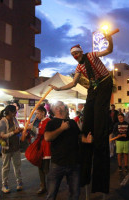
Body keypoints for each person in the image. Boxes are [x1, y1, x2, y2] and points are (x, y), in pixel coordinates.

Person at [49, 35, 114, 193]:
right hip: (94, 86)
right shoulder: (79, 68)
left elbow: (109, 50)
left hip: (105, 81)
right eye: (72, 55)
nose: (75, 57)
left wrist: (109, 38)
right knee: (89, 108)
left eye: (76, 54)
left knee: (99, 109)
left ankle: (100, 134)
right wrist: (58, 89)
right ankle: (88, 134)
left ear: (81, 52)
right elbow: (73, 83)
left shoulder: (91, 55)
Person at [44, 101, 93, 200]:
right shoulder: (51, 122)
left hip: (74, 163)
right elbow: (47, 137)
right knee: (51, 194)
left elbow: (79, 136)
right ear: (57, 109)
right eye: (63, 104)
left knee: (75, 194)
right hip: (57, 164)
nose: (66, 106)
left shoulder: (72, 122)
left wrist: (86, 139)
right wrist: (61, 128)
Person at [0, 105, 24, 193]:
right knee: (6, 167)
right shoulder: (2, 122)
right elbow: (2, 136)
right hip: (6, 147)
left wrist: (19, 131)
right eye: (14, 112)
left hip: (16, 146)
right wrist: (14, 132)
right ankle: (4, 185)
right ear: (9, 112)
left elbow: (17, 130)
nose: (15, 114)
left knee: (17, 166)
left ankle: (19, 183)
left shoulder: (14, 120)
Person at [28, 105, 51, 194]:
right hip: (40, 147)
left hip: (46, 148)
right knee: (40, 167)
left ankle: (50, 186)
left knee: (46, 169)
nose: (37, 115)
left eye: (38, 113)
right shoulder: (41, 121)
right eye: (36, 113)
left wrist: (32, 128)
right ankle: (43, 186)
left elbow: (42, 131)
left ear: (43, 113)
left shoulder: (48, 121)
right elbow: (37, 133)